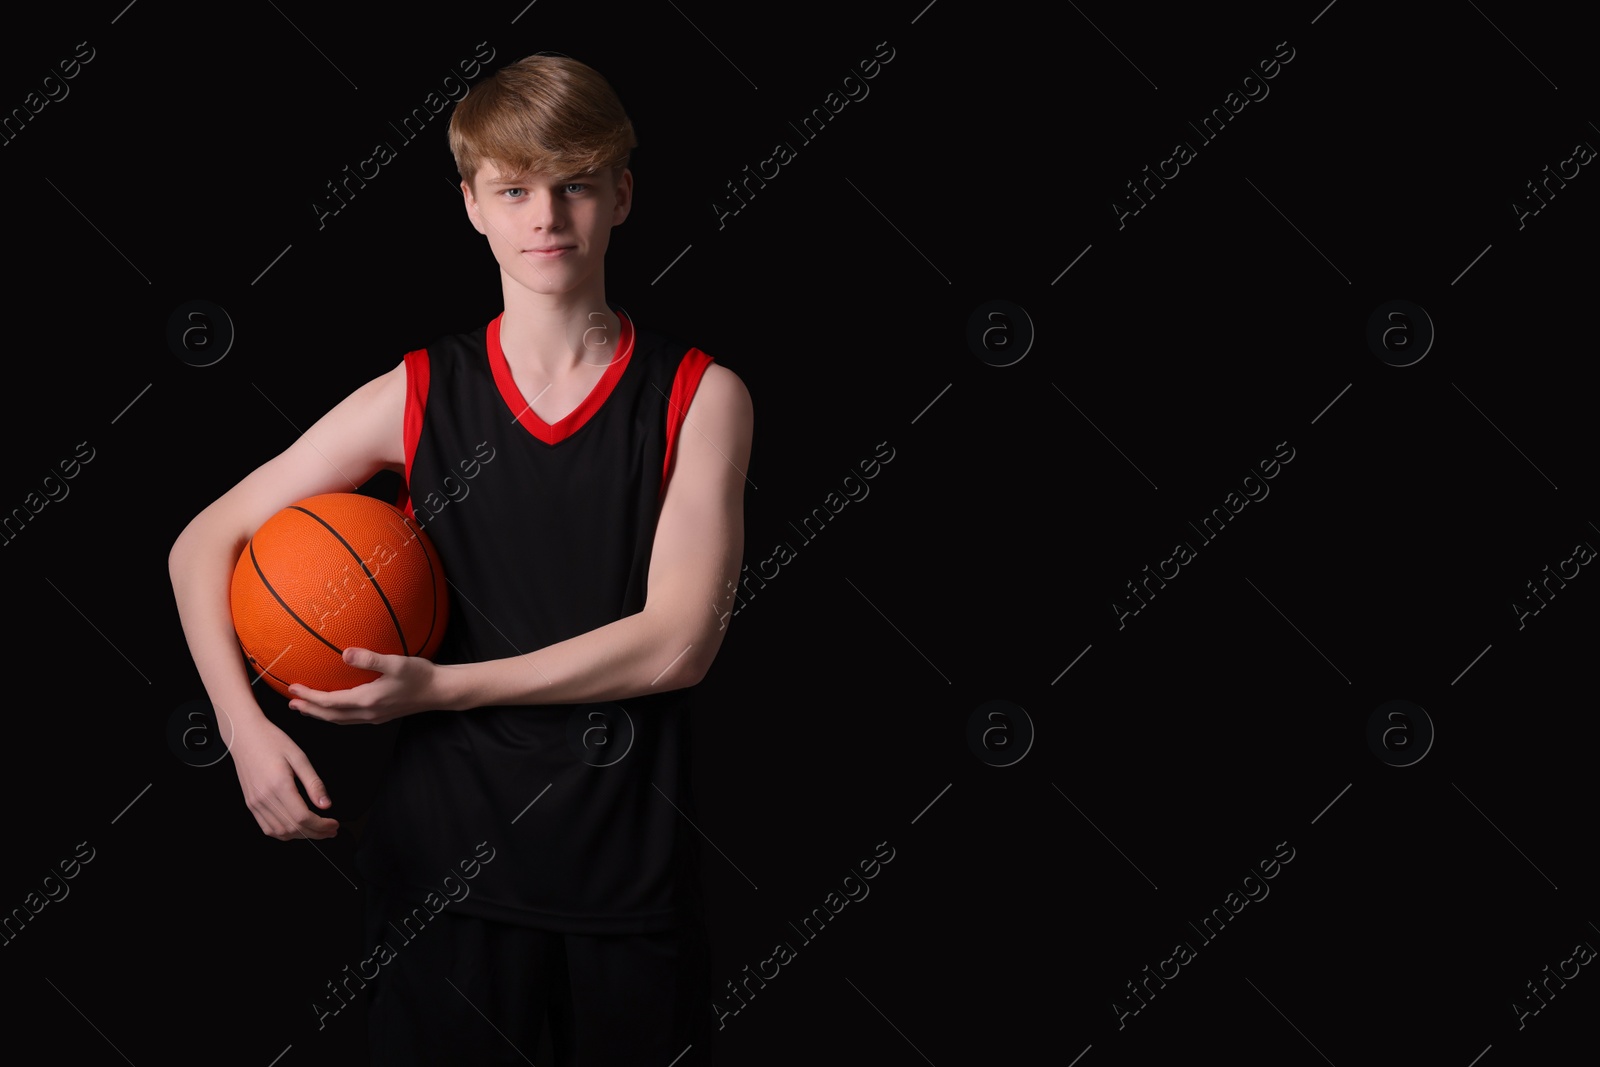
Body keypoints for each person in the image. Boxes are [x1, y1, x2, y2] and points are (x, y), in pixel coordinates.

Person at [168, 54, 752, 1065]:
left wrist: (439, 687)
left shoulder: (700, 395)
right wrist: (246, 733)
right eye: (513, 188)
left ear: (621, 193)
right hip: (443, 870)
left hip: (630, 871)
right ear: (473, 207)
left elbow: (677, 644)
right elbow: (200, 542)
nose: (547, 215)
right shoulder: (419, 391)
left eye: (574, 182)